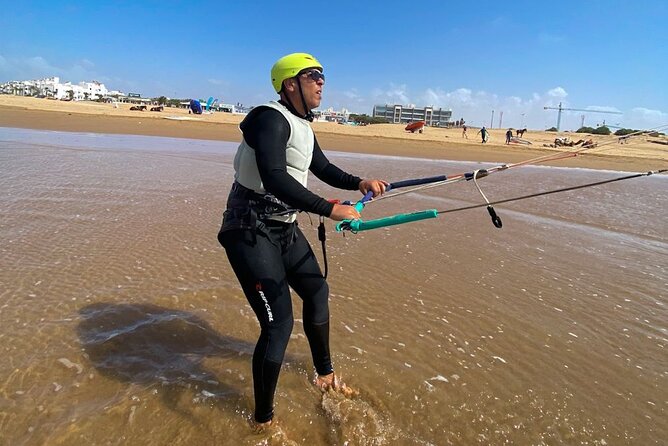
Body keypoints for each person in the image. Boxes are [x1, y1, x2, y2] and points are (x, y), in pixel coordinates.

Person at [217, 52, 388, 428]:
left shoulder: (304, 125)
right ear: (290, 83)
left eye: (324, 75)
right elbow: (275, 177)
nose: (322, 82)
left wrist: (360, 182)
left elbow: (322, 168)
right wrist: (330, 210)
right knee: (279, 323)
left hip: (284, 226)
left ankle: (324, 375)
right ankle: (262, 421)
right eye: (314, 75)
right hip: (249, 228)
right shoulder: (268, 119)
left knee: (316, 292)